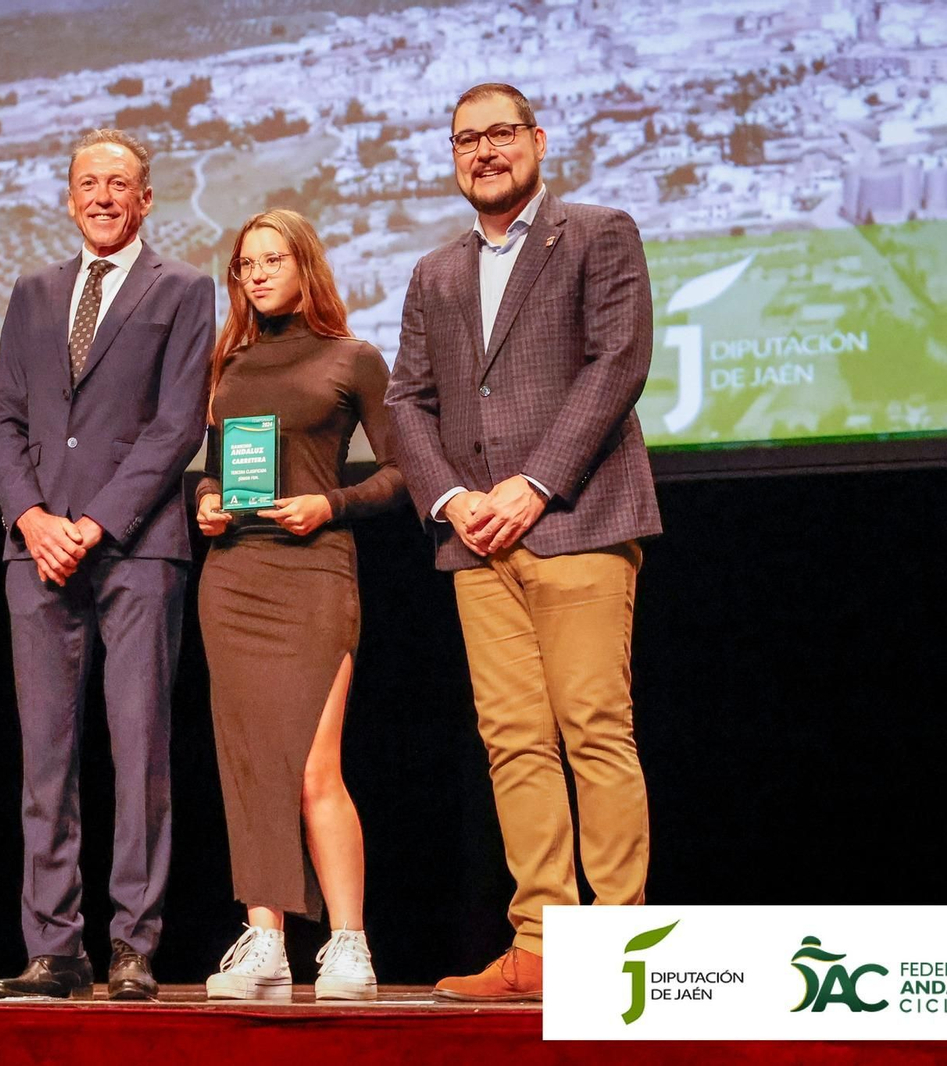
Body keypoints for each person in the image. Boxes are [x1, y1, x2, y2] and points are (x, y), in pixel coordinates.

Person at [385, 83, 663, 1002]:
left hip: (577, 520)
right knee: (512, 743)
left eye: (501, 134)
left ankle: (621, 955)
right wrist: (454, 498)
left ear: (538, 141)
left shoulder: (597, 232)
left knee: (594, 730)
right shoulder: (435, 273)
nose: (485, 151)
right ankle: (541, 944)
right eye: (467, 139)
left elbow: (618, 359)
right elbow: (405, 403)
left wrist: (533, 484)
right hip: (476, 542)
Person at [0, 128, 214, 1001]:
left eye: (120, 183)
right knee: (46, 756)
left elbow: (178, 425)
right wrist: (33, 516)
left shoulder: (183, 289)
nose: (103, 197)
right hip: (34, 553)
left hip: (137, 550)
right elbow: (4, 418)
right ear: (69, 196)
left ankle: (133, 946)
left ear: (146, 198)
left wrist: (96, 522)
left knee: (140, 748)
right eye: (89, 183)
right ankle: (54, 949)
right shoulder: (34, 291)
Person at [194, 209, 406, 1001]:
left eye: (271, 258)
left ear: (304, 265)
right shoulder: (232, 365)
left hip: (315, 571)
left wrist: (331, 506)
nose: (256, 273)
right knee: (250, 768)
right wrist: (209, 501)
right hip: (235, 575)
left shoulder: (352, 359)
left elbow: (403, 472)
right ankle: (266, 940)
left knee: (316, 767)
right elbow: (214, 471)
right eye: (245, 263)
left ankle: (349, 943)